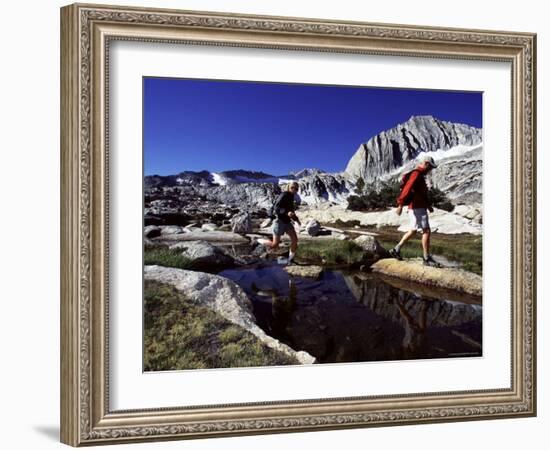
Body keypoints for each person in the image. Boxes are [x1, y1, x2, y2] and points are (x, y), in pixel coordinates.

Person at [389, 155, 441, 267]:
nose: (430, 170)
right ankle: (426, 258)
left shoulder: (419, 175)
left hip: (416, 207)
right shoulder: (416, 174)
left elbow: (420, 193)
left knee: (413, 230)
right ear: (426, 164)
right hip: (418, 207)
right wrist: (400, 204)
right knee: (426, 231)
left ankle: (396, 249)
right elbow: (408, 188)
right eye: (430, 167)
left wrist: (428, 206)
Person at [257, 181, 301, 265]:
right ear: (288, 187)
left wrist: (296, 219)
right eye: (292, 187)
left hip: (287, 222)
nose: (294, 190)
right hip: (279, 221)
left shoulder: (292, 197)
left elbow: (291, 211)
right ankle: (259, 241)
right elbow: (276, 208)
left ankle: (290, 260)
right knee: (275, 245)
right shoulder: (284, 195)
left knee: (295, 240)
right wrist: (286, 212)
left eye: (296, 189)